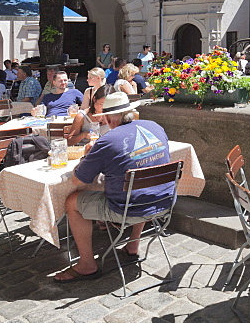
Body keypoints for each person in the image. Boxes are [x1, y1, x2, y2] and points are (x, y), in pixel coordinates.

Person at [54, 92, 167, 282]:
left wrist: (88, 155)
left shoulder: (107, 140)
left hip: (128, 209)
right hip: (162, 201)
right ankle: (133, 244)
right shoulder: (154, 126)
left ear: (107, 118)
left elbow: (77, 180)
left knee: (72, 201)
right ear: (130, 112)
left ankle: (87, 264)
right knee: (139, 185)